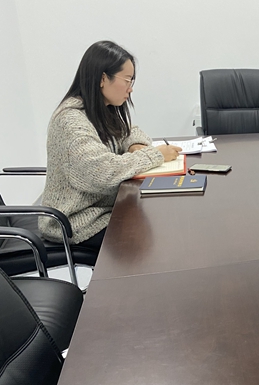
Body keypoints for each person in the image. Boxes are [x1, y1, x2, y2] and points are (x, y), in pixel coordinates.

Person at [39, 41, 181, 249]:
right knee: (154, 239)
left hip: (103, 208)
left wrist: (135, 145)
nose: (130, 89)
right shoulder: (70, 121)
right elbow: (103, 172)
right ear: (103, 79)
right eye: (127, 80)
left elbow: (129, 131)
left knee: (160, 219)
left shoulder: (100, 109)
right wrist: (154, 155)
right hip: (77, 221)